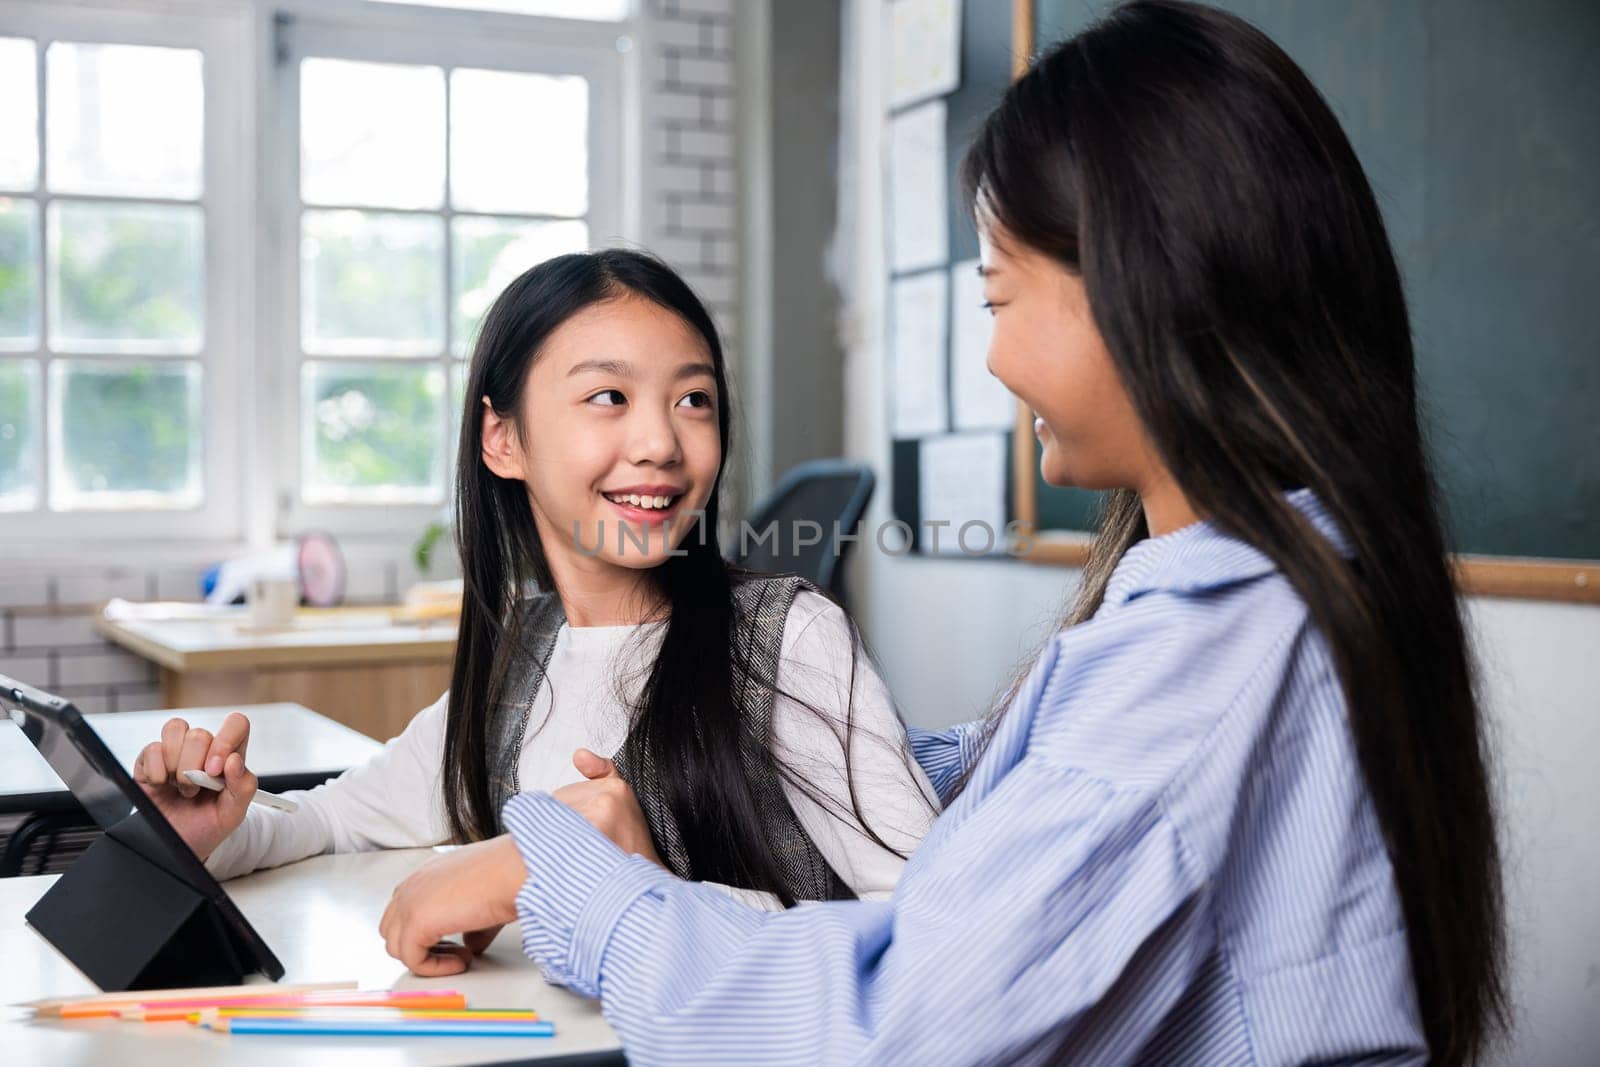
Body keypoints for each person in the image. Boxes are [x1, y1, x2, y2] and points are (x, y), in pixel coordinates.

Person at [379, 3, 1508, 1063]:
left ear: (1139, 291)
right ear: (501, 440)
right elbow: (1060, 797)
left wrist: (567, 873)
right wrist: (819, 748)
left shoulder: (1201, 667)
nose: (994, 357)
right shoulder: (1267, 601)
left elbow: (900, 1022)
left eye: (998, 295)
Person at [134, 250, 938, 939]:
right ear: (503, 439)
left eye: (693, 399)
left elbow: (929, 928)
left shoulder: (788, 639)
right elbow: (332, 820)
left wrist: (634, 889)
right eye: (609, 397)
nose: (661, 441)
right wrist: (210, 833)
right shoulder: (522, 654)